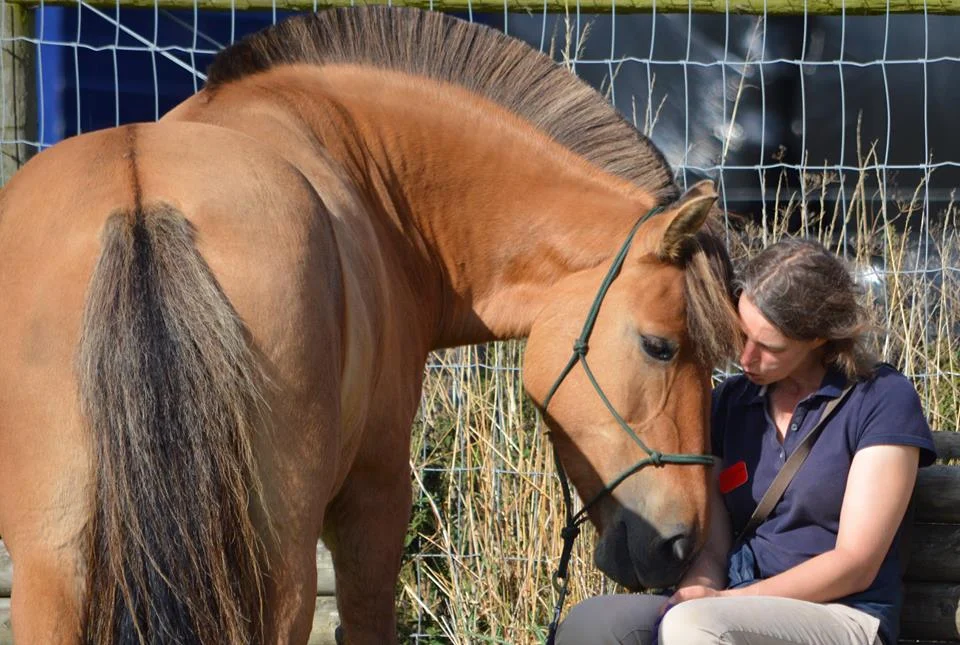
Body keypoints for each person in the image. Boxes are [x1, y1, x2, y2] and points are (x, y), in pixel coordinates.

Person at [555, 237, 938, 645]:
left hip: (843, 614)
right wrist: (698, 588)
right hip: (732, 602)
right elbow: (716, 542)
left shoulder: (880, 398)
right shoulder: (732, 402)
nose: (746, 359)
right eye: (743, 336)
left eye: (769, 347)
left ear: (819, 338)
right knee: (592, 622)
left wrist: (724, 600)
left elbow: (855, 564)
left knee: (696, 628)